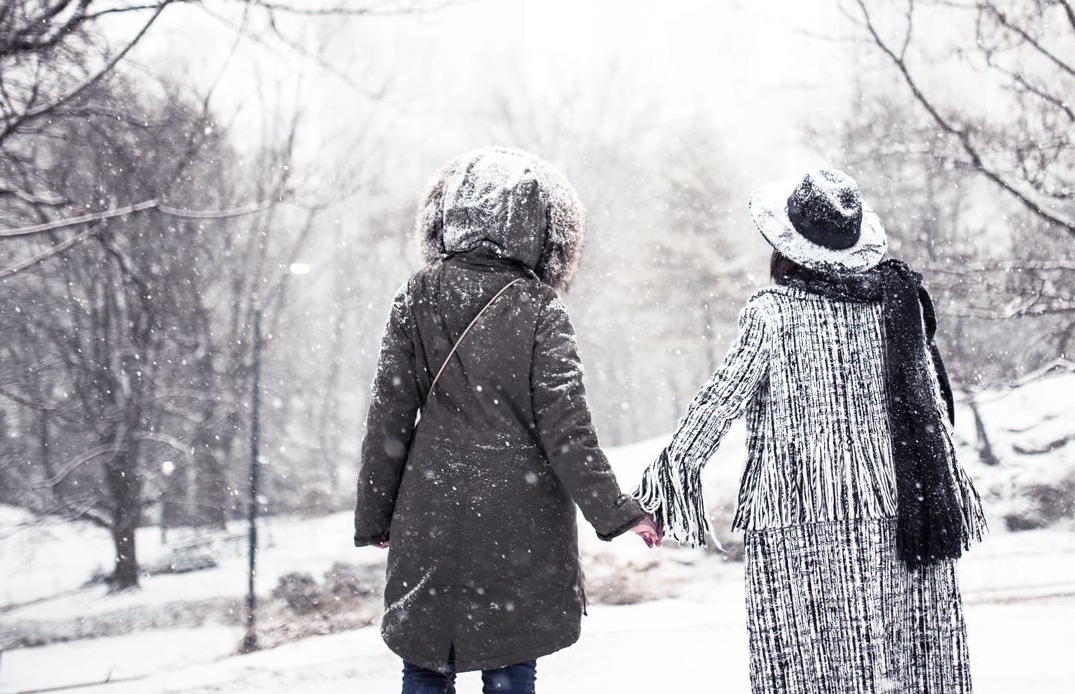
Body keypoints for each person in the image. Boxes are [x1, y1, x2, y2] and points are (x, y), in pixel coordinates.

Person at [634, 168, 985, 694]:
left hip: (799, 523)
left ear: (786, 247)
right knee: (904, 669)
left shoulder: (772, 314)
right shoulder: (897, 303)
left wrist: (664, 489)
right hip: (902, 515)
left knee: (808, 673)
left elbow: (716, 404)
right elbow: (933, 412)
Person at [355, 147, 660, 694]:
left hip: (431, 504)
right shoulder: (540, 308)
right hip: (519, 516)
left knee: (425, 660)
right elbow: (567, 430)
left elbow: (389, 418)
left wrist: (378, 515)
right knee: (511, 662)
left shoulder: (415, 297)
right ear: (540, 225)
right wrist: (619, 513)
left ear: (447, 215)